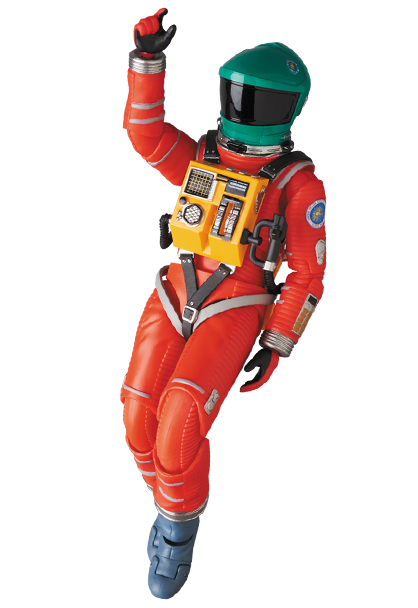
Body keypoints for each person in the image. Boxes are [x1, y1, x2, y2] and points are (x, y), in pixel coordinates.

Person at [121, 8, 326, 599]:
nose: (244, 110)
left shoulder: (296, 183)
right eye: (238, 96)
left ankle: (176, 533)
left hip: (238, 300)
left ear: (288, 109)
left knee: (180, 419)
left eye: (258, 100)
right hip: (178, 286)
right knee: (137, 416)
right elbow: (145, 134)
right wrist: (147, 62)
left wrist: (278, 339)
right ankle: (169, 499)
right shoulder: (204, 157)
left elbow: (308, 272)